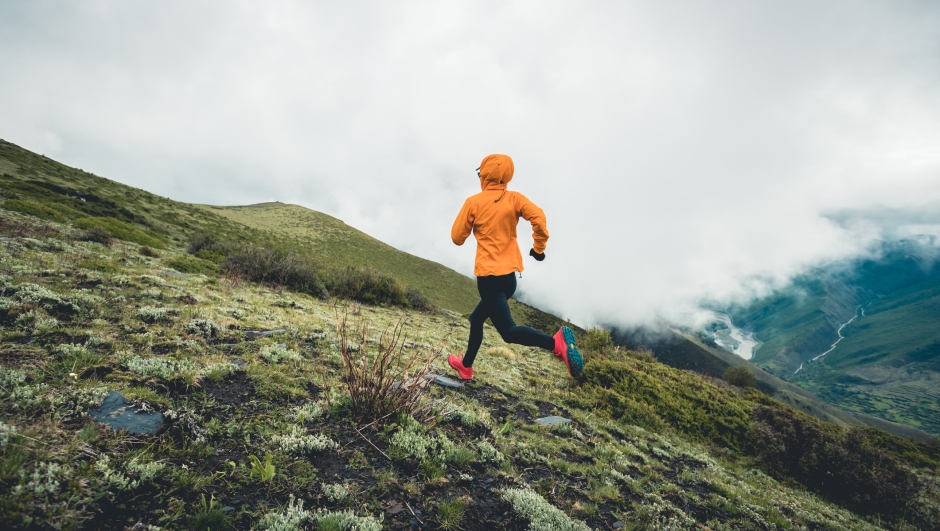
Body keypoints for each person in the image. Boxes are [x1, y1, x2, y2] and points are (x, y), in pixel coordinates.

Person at [447, 153, 583, 381]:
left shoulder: (473, 203)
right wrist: (538, 249)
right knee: (476, 318)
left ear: (485, 175)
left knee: (508, 332)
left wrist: (475, 224)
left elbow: (457, 238)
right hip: (510, 279)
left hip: (489, 279)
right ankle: (466, 366)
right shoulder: (515, 199)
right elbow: (538, 217)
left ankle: (555, 343)